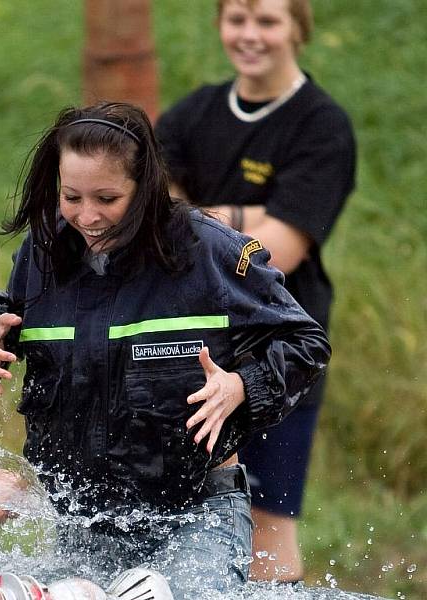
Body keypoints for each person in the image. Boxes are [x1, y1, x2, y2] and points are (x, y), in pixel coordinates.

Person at [0, 102, 331, 598]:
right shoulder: (46, 247)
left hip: (196, 516)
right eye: (71, 196)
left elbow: (306, 342)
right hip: (87, 523)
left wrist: (242, 385)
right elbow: (12, 309)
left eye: (107, 198)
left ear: (145, 189)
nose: (87, 216)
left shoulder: (207, 250)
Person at [154, 0, 356, 582]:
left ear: (298, 27)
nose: (250, 35)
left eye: (267, 21)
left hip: (281, 355)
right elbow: (152, 214)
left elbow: (278, 255)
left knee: (267, 527)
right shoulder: (193, 114)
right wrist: (251, 215)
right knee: (177, 519)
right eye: (237, 19)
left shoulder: (322, 126)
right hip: (195, 351)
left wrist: (196, 217)